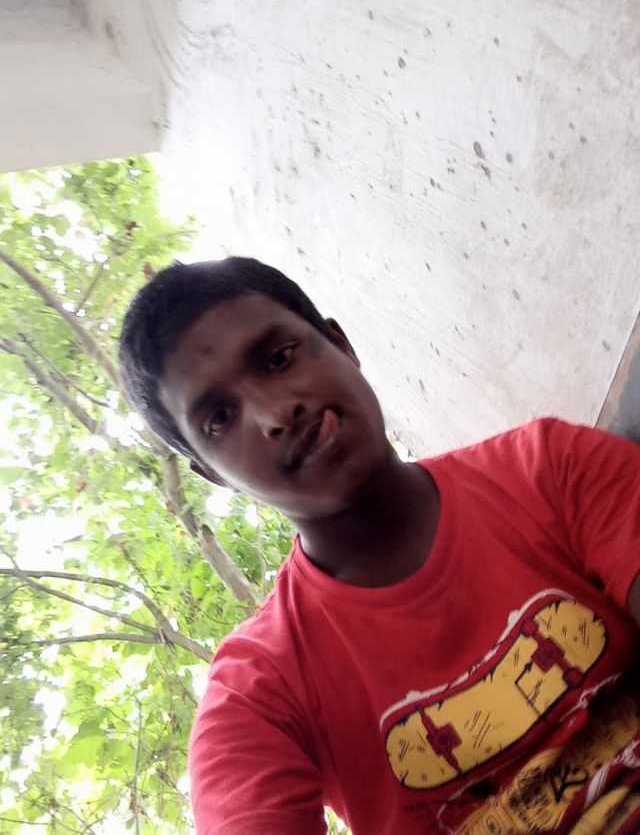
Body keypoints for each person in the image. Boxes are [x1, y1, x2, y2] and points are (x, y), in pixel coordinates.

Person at [119, 257, 640, 834]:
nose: (275, 413)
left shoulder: (547, 470)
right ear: (213, 474)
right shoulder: (256, 694)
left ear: (341, 345)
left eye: (278, 358)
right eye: (220, 417)